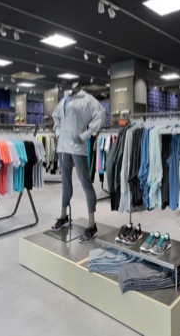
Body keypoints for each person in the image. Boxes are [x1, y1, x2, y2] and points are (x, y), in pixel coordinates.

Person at [51, 82, 105, 242]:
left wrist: (85, 135)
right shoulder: (64, 99)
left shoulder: (87, 99)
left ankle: (92, 224)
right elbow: (56, 116)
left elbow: (101, 115)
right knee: (65, 183)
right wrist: (58, 132)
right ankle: (63, 216)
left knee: (86, 184)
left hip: (77, 147)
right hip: (63, 147)